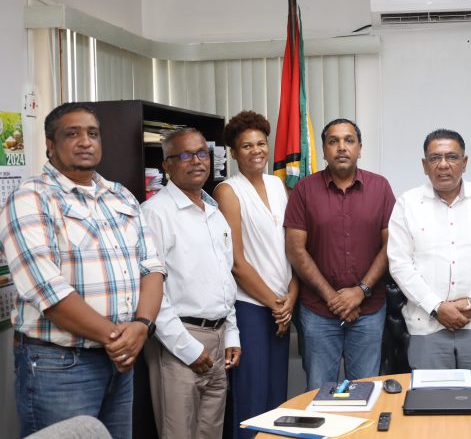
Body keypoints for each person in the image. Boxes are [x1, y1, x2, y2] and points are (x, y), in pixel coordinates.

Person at [0, 103, 165, 438]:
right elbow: (48, 290)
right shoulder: (31, 197)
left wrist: (142, 326)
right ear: (50, 144)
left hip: (121, 361)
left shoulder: (119, 195)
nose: (85, 141)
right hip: (61, 367)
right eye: (71, 134)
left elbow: (152, 267)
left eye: (92, 133)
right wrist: (120, 338)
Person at [141, 128, 241, 439]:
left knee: (211, 432)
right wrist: (187, 348)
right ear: (166, 165)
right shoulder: (155, 214)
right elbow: (151, 293)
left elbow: (225, 277)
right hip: (178, 341)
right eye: (185, 155)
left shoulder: (213, 213)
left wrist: (232, 334)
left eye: (202, 153)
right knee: (179, 433)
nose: (196, 161)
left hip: (218, 337)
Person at [388, 129, 471, 370]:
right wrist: (437, 307)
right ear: (425, 165)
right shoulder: (408, 204)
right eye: (435, 158)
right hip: (426, 325)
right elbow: (400, 264)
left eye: (452, 157)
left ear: (464, 162)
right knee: (431, 403)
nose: (443, 165)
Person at [284, 118, 395, 391]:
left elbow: (392, 246)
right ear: (323, 150)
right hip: (318, 312)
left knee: (366, 391)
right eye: (333, 141)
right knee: (319, 392)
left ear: (359, 148)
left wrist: (361, 291)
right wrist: (332, 297)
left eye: (349, 140)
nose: (341, 147)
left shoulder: (380, 187)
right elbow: (295, 249)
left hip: (368, 311)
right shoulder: (304, 190)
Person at [214, 111, 297, 433]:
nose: (256, 151)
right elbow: (236, 262)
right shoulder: (228, 191)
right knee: (251, 398)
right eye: (246, 146)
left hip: (282, 306)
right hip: (250, 307)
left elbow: (292, 248)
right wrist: (277, 305)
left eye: (261, 143)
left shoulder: (278, 185)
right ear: (234, 153)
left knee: (277, 399)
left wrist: (289, 299)